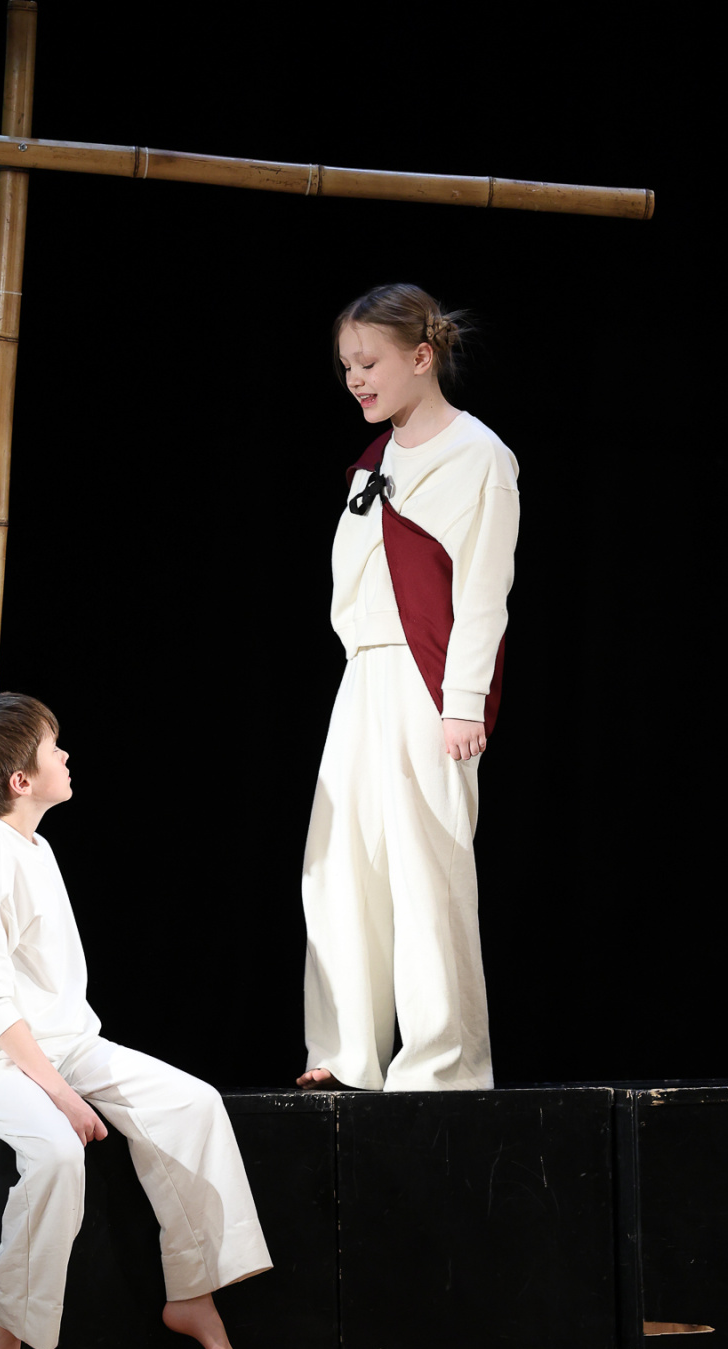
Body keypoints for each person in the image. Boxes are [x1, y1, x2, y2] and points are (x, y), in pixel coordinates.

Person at [0, 691, 272, 1349]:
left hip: (62, 1043)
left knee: (193, 1104)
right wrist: (61, 1096)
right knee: (57, 1154)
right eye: (52, 748)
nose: (65, 755)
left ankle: (193, 1291)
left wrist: (67, 1071)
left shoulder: (35, 847)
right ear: (21, 780)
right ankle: (5, 1319)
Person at [297, 283, 519, 1095]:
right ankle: (347, 1051)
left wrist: (462, 700)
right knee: (338, 864)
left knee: (425, 870)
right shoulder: (373, 462)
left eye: (368, 362)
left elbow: (483, 590)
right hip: (363, 674)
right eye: (346, 366)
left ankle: (441, 1062)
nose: (355, 379)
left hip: (429, 680)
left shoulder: (479, 456)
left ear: (421, 357)